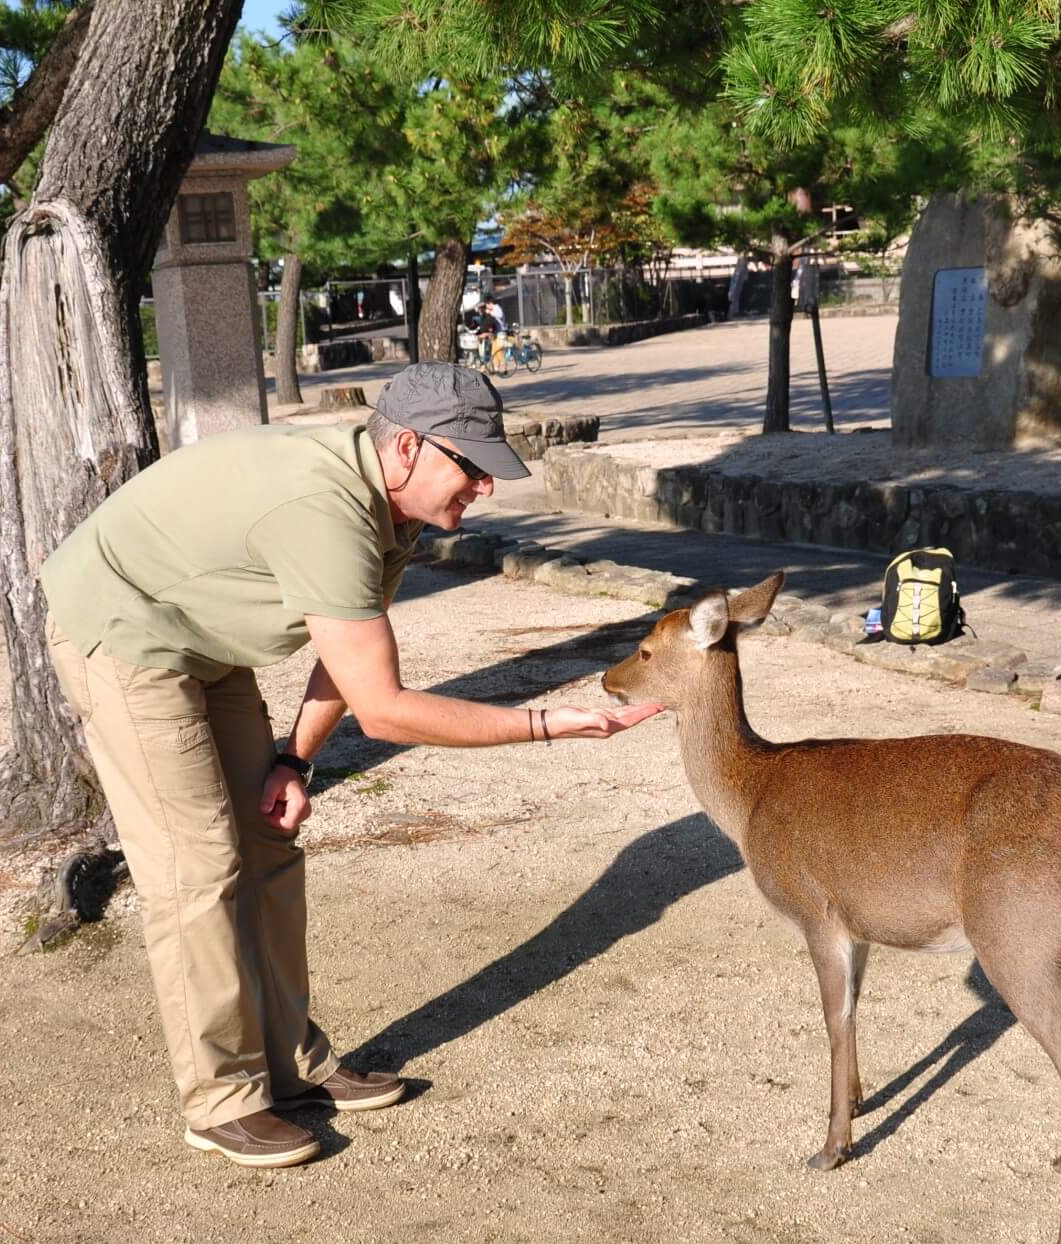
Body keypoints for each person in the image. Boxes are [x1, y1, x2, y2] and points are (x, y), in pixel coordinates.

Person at [38, 362, 663, 1170]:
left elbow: (347, 661)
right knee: (198, 867)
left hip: (208, 639)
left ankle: (292, 1066)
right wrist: (545, 725)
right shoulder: (326, 511)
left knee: (267, 844)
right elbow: (386, 709)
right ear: (406, 446)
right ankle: (221, 1099)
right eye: (470, 467)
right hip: (123, 631)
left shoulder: (393, 516)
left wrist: (292, 760)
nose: (485, 489)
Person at [475, 297, 506, 368]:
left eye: (486, 305)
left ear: (489, 303)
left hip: (500, 333)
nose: (486, 307)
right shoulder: (488, 312)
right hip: (496, 333)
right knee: (493, 352)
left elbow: (499, 316)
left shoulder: (496, 308)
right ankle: (496, 369)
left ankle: (504, 368)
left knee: (498, 351)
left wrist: (490, 312)